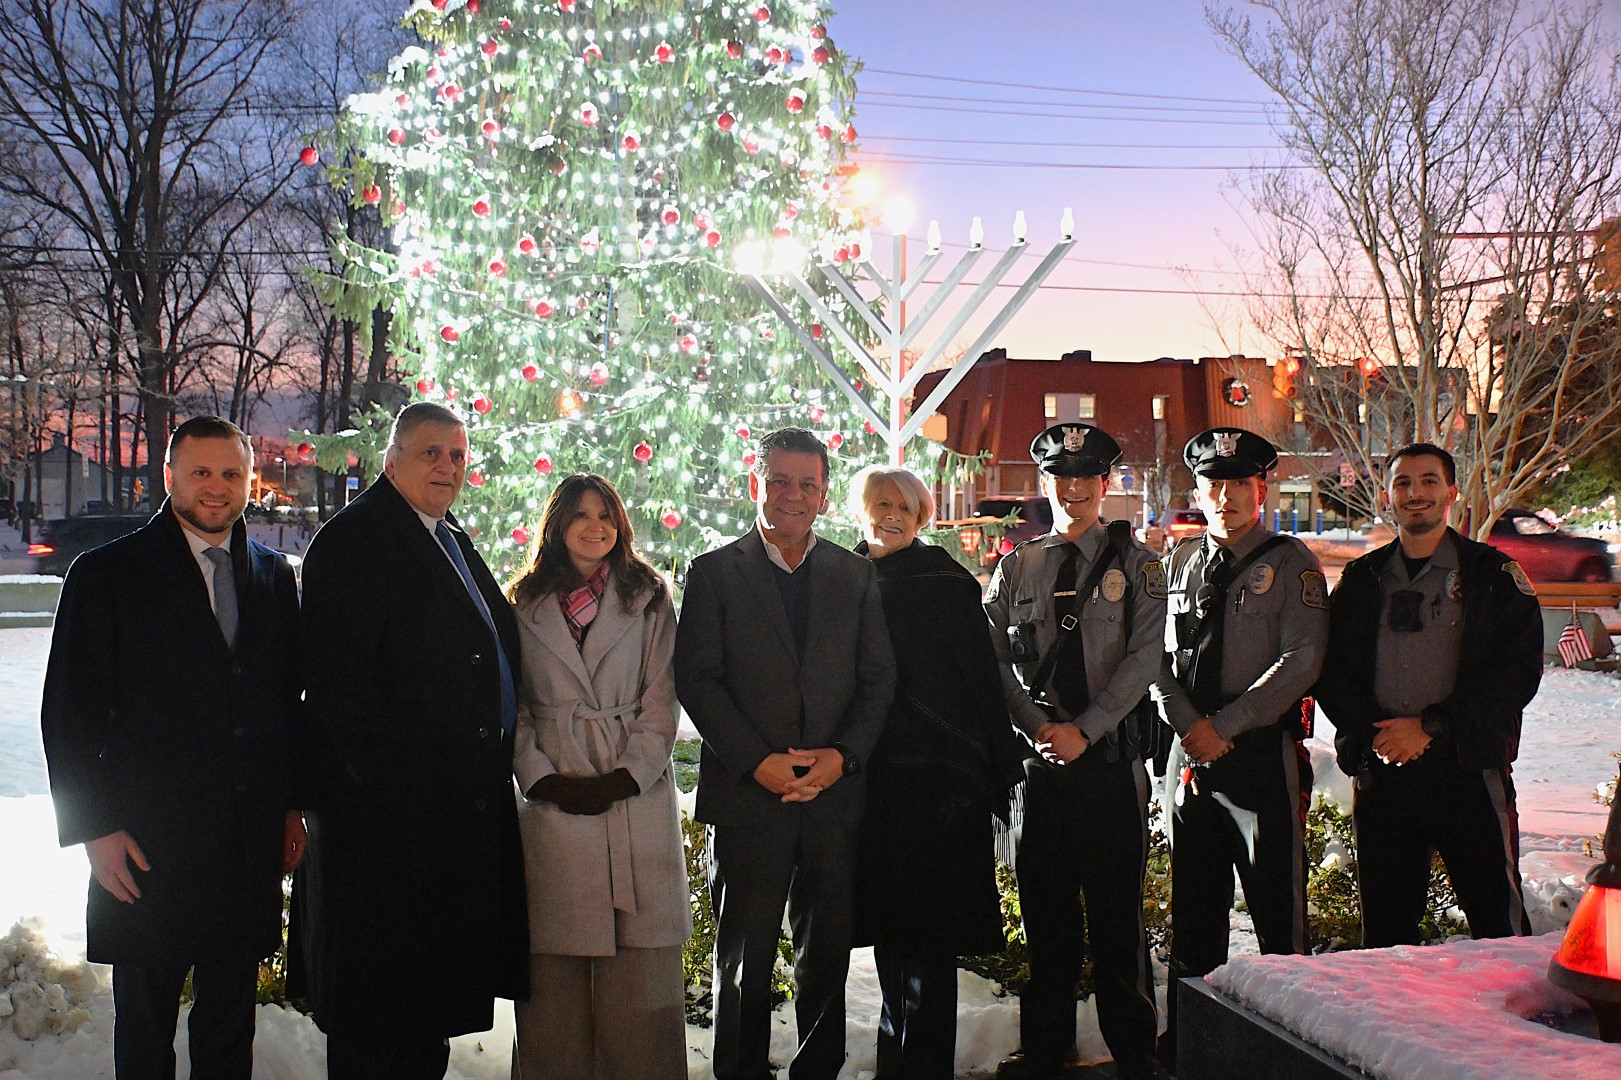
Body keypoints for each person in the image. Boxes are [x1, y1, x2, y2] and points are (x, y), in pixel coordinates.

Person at [40, 416, 303, 1079]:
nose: (216, 487)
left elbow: (284, 706)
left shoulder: (273, 578)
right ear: (168, 477)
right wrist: (94, 828)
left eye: (231, 474)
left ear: (249, 481)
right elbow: (69, 714)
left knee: (229, 1030)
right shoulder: (107, 574)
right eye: (200, 472)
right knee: (145, 1030)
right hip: (145, 845)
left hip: (245, 843)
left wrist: (290, 807)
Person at [289, 402, 528, 1080]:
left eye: (458, 455)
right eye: (431, 453)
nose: (448, 466)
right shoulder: (355, 542)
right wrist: (407, 798)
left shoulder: (444, 535)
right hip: (386, 835)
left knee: (423, 1024)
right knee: (376, 1028)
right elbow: (339, 696)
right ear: (391, 460)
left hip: (441, 831)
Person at [674, 427, 896, 1080]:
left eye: (806, 484)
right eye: (778, 481)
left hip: (831, 801)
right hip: (749, 799)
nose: (792, 495)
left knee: (824, 959)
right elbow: (697, 680)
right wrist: (757, 762)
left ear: (824, 495)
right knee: (742, 962)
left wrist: (842, 758)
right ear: (756, 484)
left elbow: (878, 678)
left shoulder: (855, 574)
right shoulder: (713, 573)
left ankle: (817, 1071)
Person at [984, 424, 1168, 1080]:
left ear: (1104, 483)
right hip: (1040, 770)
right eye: (1060, 477)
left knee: (1118, 917)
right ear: (1045, 483)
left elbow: (1143, 658)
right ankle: (1045, 1048)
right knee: (1046, 915)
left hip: (1110, 765)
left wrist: (1084, 730)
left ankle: (1134, 1052)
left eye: (1086, 477)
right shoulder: (1017, 566)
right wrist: (1037, 726)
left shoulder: (1138, 565)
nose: (1073, 489)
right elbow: (993, 660)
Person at [1149, 427, 1329, 1072]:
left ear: (1261, 489)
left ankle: (1291, 1052)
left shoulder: (1292, 563)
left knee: (1278, 915)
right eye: (1212, 485)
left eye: (1238, 485)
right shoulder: (1178, 562)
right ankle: (1189, 1045)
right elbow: (1151, 655)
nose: (1224, 497)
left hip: (1258, 756)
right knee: (1194, 913)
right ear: (1198, 491)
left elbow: (1302, 660)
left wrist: (1224, 726)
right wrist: (1186, 723)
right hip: (1189, 758)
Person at [1316, 443, 1542, 948]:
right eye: (1402, 483)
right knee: (1385, 937)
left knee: (1499, 928)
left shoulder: (1492, 576)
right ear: (1387, 496)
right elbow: (1332, 670)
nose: (1415, 493)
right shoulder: (1361, 579)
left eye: (1428, 481)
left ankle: (1509, 1006)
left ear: (1451, 493)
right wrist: (1373, 734)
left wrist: (1430, 726)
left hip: (1467, 770)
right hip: (1384, 774)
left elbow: (1517, 674)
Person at [506, 473, 691, 1080]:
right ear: (557, 524)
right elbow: (513, 705)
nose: (596, 527)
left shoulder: (650, 597)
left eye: (607, 515)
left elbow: (662, 700)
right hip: (552, 807)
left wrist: (625, 778)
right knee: (551, 1001)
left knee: (643, 999)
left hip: (634, 802)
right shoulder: (522, 602)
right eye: (581, 515)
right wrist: (541, 778)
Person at [848, 464, 1027, 1080]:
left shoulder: (945, 583)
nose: (892, 515)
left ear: (922, 517)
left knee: (928, 946)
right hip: (870, 787)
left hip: (936, 789)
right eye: (881, 503)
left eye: (905, 506)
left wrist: (975, 773)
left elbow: (974, 685)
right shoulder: (844, 578)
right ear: (861, 510)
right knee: (890, 940)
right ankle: (895, 1066)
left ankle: (924, 1070)